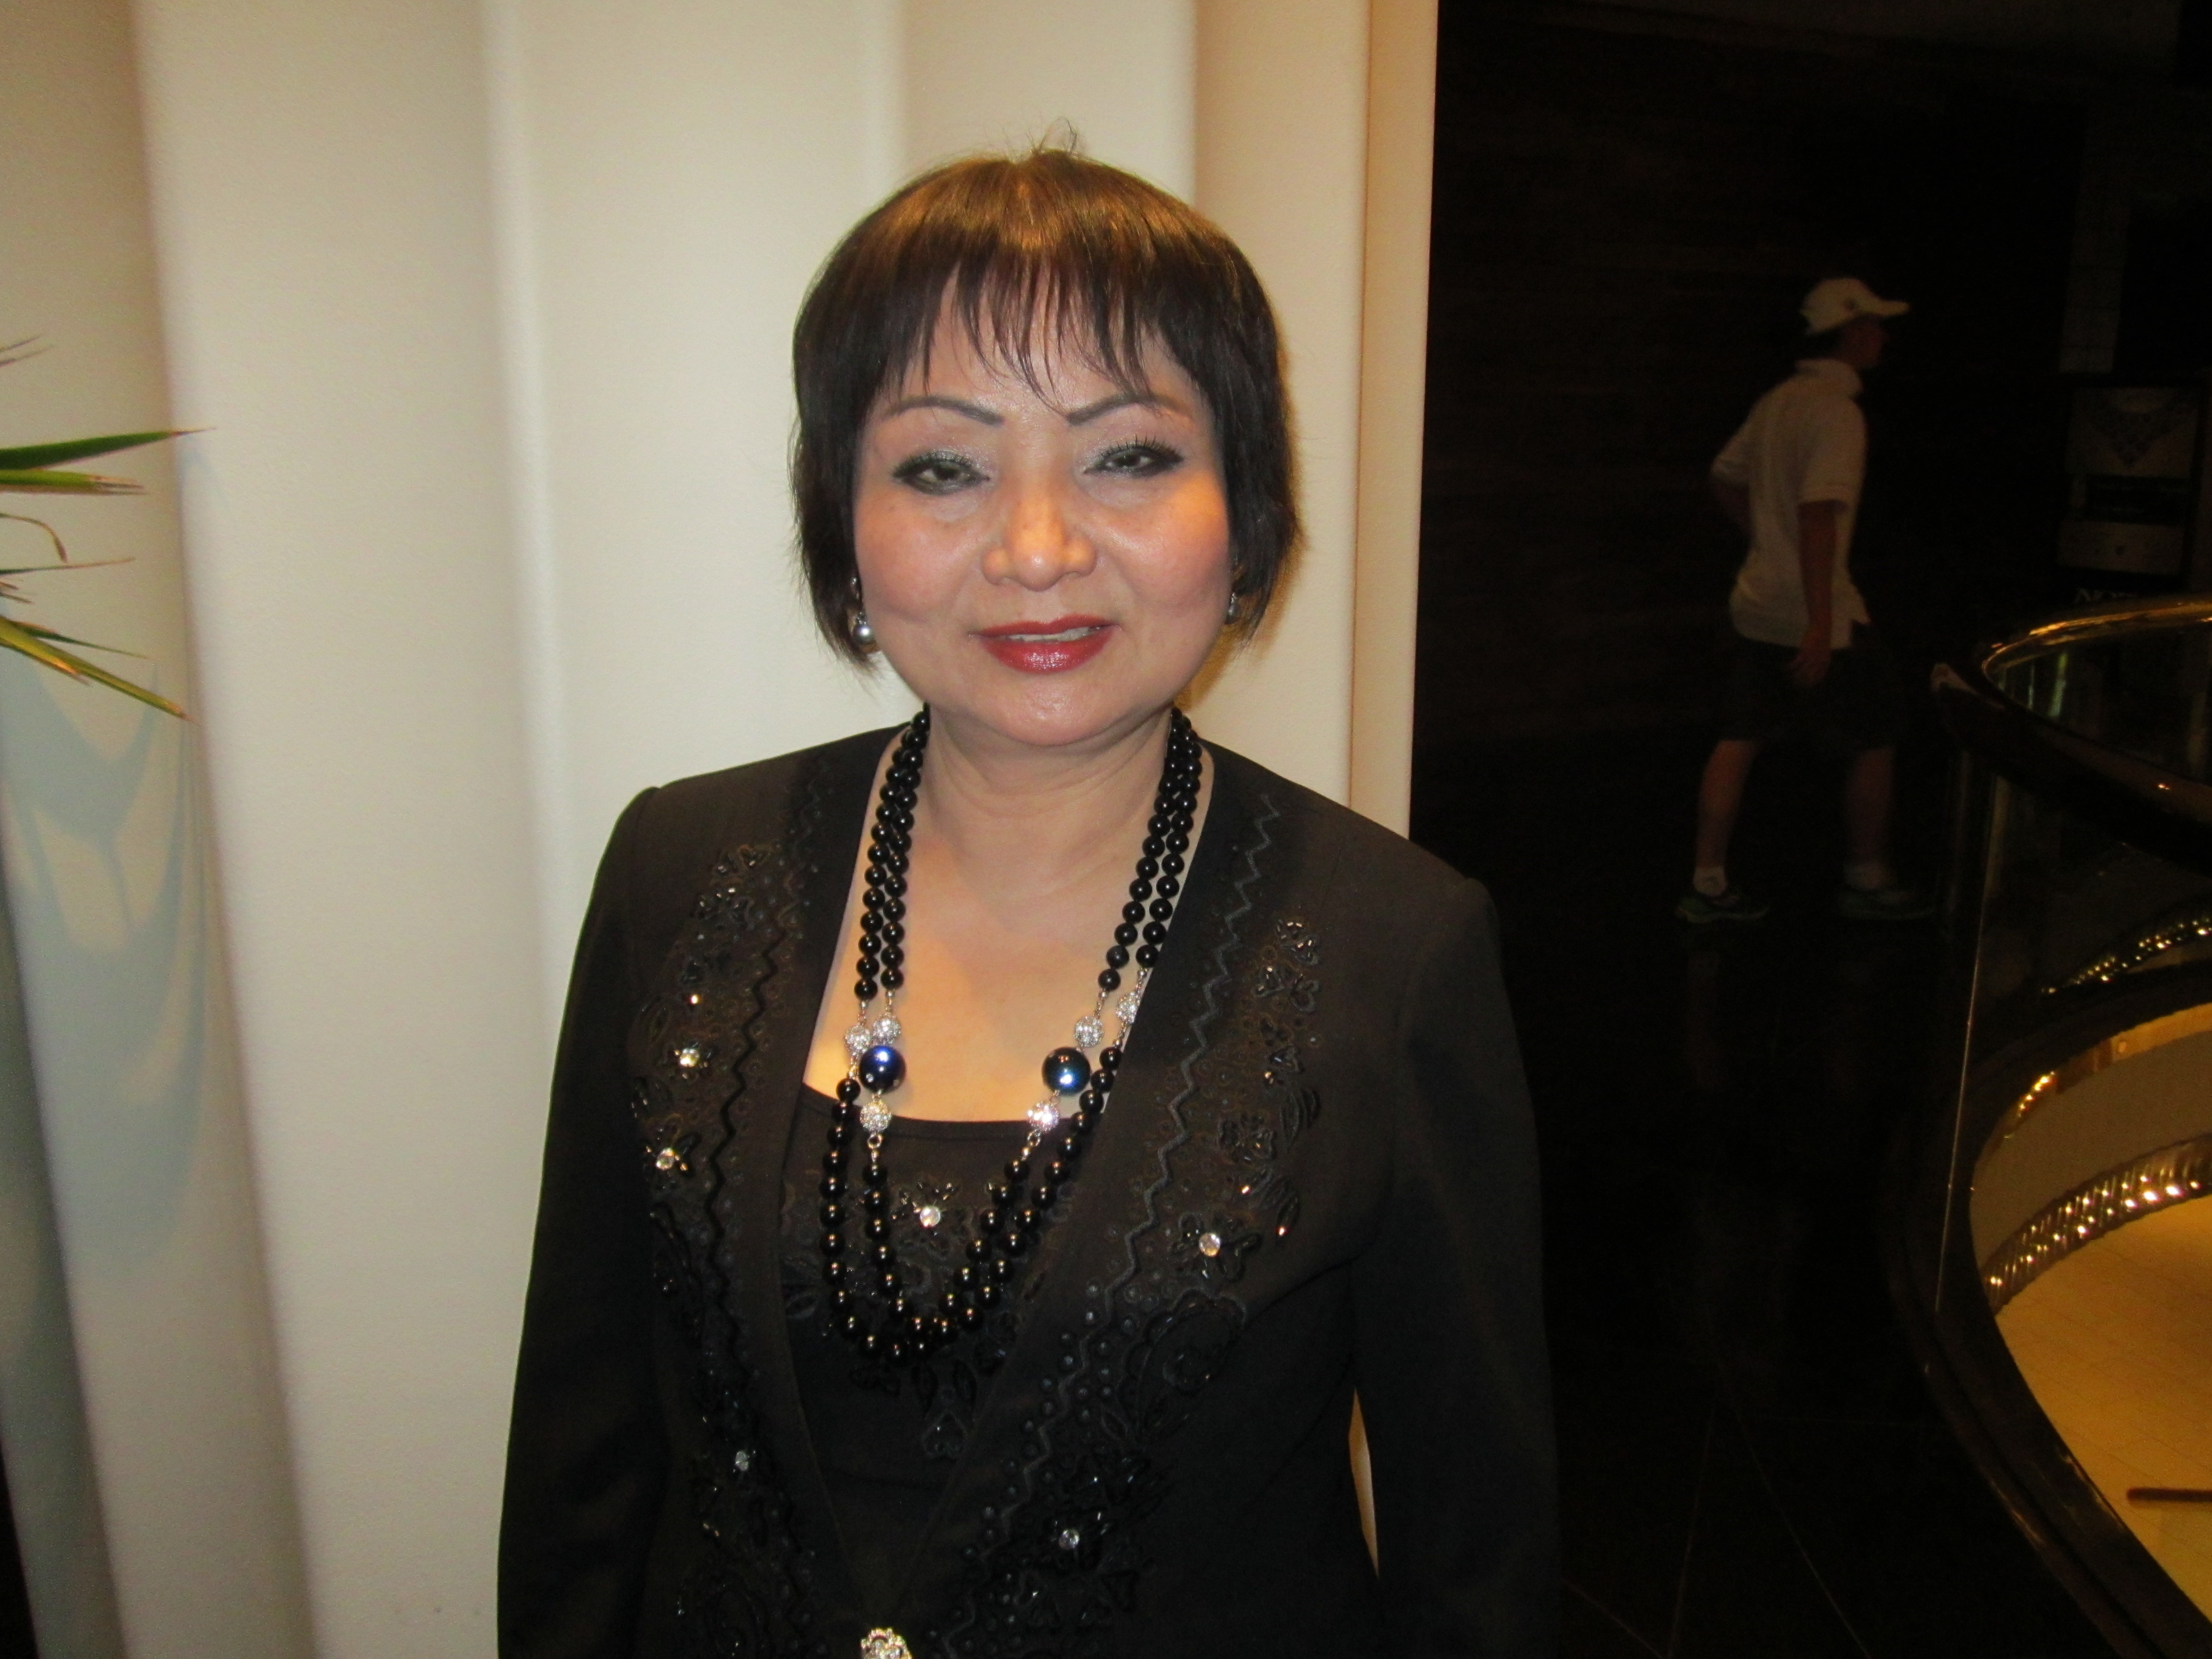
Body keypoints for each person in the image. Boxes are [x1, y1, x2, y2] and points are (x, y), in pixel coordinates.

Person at [498, 148, 1555, 1658]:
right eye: (944, 466)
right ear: (844, 524)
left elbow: (1475, 1553)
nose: (1039, 548)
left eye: (1129, 456)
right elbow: (580, 1457)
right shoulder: (681, 867)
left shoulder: (1398, 949)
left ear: (1244, 515)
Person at [1678, 275, 1931, 925]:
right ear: (1852, 332)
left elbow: (1724, 476)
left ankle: (1707, 881)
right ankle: (1866, 875)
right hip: (1816, 609)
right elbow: (1820, 514)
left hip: (1757, 599)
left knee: (1739, 735)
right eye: (1874, 325)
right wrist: (1820, 623)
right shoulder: (1836, 412)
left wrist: (1764, 540)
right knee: (1878, 735)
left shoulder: (1779, 401)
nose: (1882, 337)